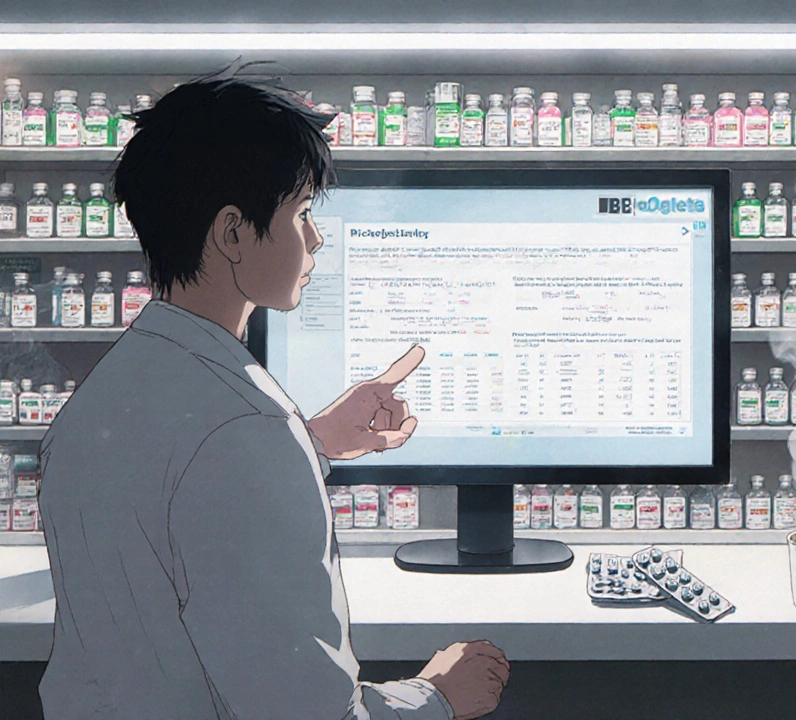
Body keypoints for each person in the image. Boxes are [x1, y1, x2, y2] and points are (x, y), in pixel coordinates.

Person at [37, 70, 509, 720]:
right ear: (233, 234)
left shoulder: (103, 400)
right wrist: (437, 695)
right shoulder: (246, 429)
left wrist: (311, 442)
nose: (316, 240)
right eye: (302, 214)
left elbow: (177, 519)